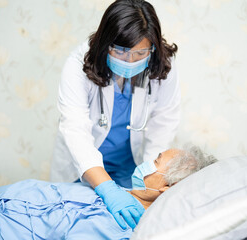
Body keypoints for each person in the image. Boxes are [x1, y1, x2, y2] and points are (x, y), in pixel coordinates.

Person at [51, 0, 180, 229]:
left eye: (140, 53)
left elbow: (164, 124)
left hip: (129, 169)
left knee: (125, 226)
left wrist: (148, 182)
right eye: (120, 51)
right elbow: (75, 128)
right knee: (74, 221)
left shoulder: (162, 67)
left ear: (152, 48)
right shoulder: (79, 65)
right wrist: (107, 188)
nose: (129, 61)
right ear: (105, 44)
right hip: (84, 168)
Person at [0, 146, 217, 240]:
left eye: (157, 161)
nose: (148, 162)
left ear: (166, 188)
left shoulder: (122, 228)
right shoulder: (117, 194)